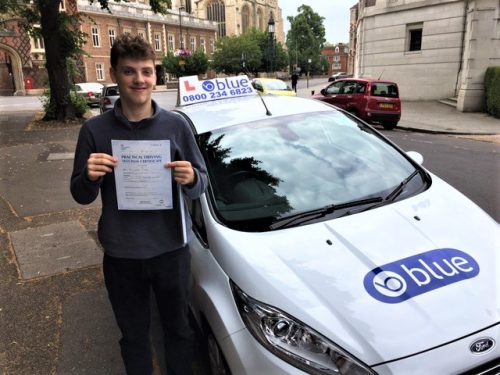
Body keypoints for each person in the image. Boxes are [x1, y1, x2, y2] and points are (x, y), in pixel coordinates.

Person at [70, 34, 208, 375]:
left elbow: (201, 184)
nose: (139, 79)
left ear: (155, 76)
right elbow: (80, 194)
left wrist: (191, 177)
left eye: (146, 71)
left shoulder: (176, 126)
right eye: (129, 71)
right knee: (133, 338)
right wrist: (89, 176)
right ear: (115, 75)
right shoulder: (94, 130)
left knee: (178, 331)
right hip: (122, 255)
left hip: (171, 250)